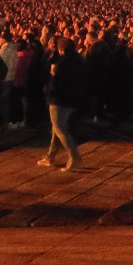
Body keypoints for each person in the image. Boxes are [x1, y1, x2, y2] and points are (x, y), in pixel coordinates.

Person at [38, 37, 87, 171]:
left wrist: (51, 79)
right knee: (57, 128)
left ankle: (75, 158)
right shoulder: (79, 59)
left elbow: (56, 84)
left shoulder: (62, 62)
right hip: (73, 99)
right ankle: (50, 156)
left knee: (60, 129)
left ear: (61, 49)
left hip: (59, 100)